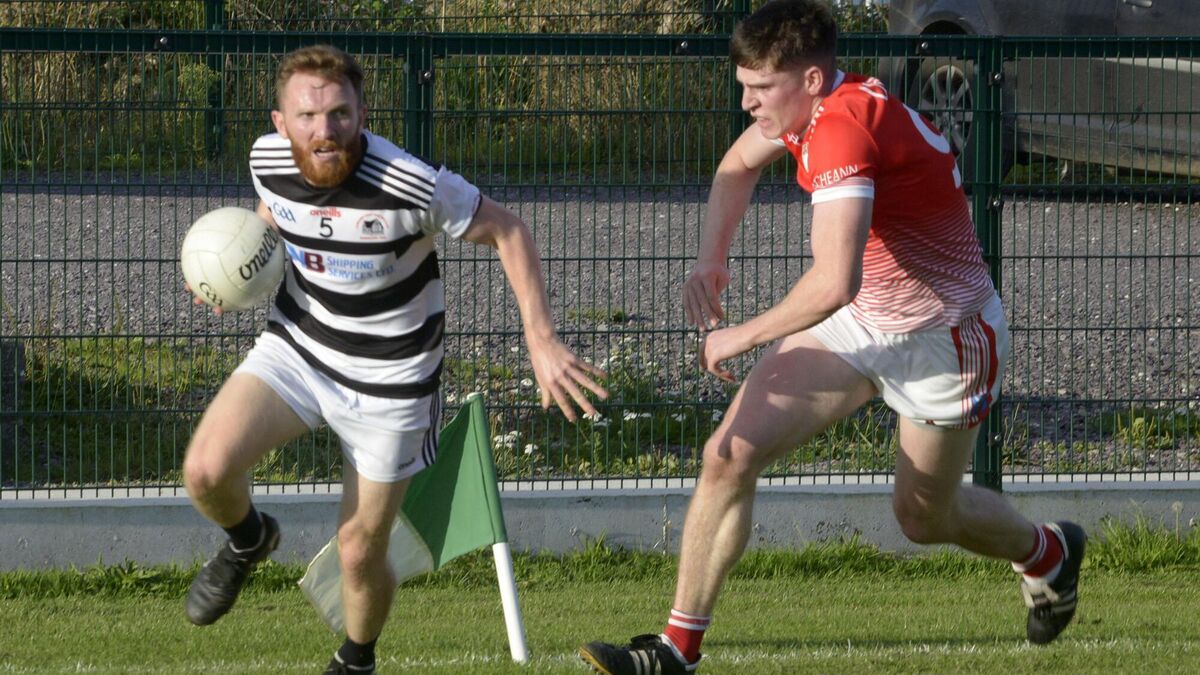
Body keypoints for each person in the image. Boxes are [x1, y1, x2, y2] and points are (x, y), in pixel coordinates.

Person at [579, 2, 1085, 673]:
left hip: (945, 339)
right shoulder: (803, 113)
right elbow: (737, 165)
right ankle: (677, 651)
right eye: (743, 86)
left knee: (923, 517)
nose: (747, 102)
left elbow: (834, 281)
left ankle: (1048, 552)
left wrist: (738, 337)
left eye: (760, 88)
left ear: (811, 80)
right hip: (862, 323)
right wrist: (710, 259)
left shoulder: (842, 129)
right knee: (728, 454)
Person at [181, 44, 607, 674]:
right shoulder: (266, 158)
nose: (324, 131)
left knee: (358, 551)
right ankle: (250, 538)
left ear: (362, 113)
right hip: (299, 347)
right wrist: (238, 266)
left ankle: (356, 659)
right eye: (307, 116)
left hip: (393, 382)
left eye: (339, 114)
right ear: (280, 122)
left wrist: (541, 340)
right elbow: (273, 212)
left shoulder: (409, 183)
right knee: (205, 471)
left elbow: (508, 229)